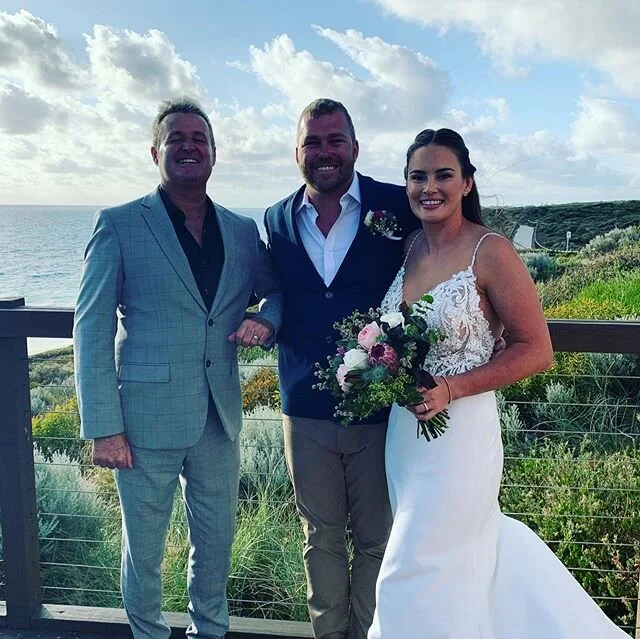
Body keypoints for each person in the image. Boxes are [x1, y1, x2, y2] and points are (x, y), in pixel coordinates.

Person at [368, 127, 627, 638]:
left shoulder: (492, 251)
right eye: (418, 177)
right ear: (406, 185)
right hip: (405, 438)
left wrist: (452, 388)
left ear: (467, 182)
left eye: (444, 175)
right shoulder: (411, 246)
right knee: (452, 572)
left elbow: (537, 349)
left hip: (460, 438)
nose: (430, 187)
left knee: (410, 570)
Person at [73, 96, 282, 639]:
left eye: (199, 139)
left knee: (215, 541)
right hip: (142, 422)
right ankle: (147, 632)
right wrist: (103, 426)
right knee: (144, 547)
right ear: (155, 152)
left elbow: (276, 289)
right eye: (176, 139)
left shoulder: (239, 230)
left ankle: (208, 630)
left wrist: (269, 321)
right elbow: (90, 328)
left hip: (219, 419)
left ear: (214, 153)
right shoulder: (118, 224)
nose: (189, 146)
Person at [264, 98, 420, 639]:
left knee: (378, 537)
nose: (324, 152)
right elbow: (276, 290)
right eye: (313, 141)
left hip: (379, 409)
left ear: (354, 147)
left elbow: (441, 262)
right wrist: (262, 317)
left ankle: (372, 633)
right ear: (297, 152)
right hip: (304, 410)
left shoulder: (396, 204)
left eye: (335, 141)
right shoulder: (277, 218)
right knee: (320, 536)